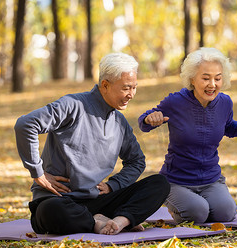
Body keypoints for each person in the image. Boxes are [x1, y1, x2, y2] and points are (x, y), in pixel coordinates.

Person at [15, 53, 170, 235]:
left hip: (98, 201)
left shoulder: (120, 123)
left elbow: (137, 161)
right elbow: (26, 124)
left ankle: (121, 220)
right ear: (105, 85)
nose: (131, 94)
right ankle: (96, 222)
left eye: (134, 88)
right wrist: (38, 172)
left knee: (160, 183)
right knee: (51, 211)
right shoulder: (72, 105)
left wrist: (114, 185)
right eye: (126, 88)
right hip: (59, 200)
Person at [138, 47, 237, 224]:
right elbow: (143, 121)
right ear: (192, 79)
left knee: (226, 213)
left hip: (211, 180)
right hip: (176, 181)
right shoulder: (175, 102)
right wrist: (150, 119)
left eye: (217, 78)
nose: (212, 84)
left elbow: (227, 126)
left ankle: (198, 205)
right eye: (205, 78)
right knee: (198, 213)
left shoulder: (225, 102)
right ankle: (182, 204)